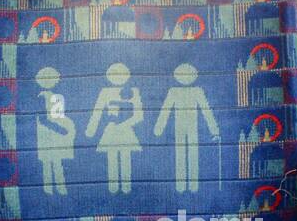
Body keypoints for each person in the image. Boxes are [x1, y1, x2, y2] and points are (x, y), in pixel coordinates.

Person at [153, 63, 220, 192]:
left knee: (190, 153)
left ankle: (190, 185)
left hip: (190, 127)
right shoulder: (175, 91)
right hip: (182, 127)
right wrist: (159, 127)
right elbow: (165, 110)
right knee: (183, 153)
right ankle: (183, 184)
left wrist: (214, 129)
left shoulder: (196, 91)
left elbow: (206, 110)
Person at [85, 62, 143, 193]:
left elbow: (139, 115)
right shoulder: (105, 92)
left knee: (125, 156)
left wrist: (123, 123)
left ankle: (126, 186)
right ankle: (113, 186)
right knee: (112, 158)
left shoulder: (133, 92)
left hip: (124, 130)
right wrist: (91, 128)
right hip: (110, 130)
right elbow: (98, 111)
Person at [34, 66, 74, 194]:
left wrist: (67, 126)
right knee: (47, 162)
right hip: (47, 134)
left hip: (56, 134)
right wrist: (61, 129)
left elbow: (59, 116)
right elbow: (43, 119)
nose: (57, 81)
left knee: (57, 160)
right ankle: (49, 189)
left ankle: (60, 187)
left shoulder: (56, 97)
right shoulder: (42, 96)